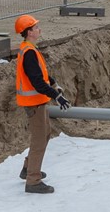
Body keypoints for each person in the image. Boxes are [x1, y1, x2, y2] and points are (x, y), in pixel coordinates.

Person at [14, 14, 71, 194]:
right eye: (36, 27)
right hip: (34, 104)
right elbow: (37, 82)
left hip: (37, 102)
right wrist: (57, 96)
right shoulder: (29, 52)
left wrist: (54, 84)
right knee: (39, 140)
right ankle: (33, 180)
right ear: (29, 32)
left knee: (44, 134)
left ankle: (27, 168)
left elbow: (42, 75)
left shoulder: (29, 48)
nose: (39, 29)